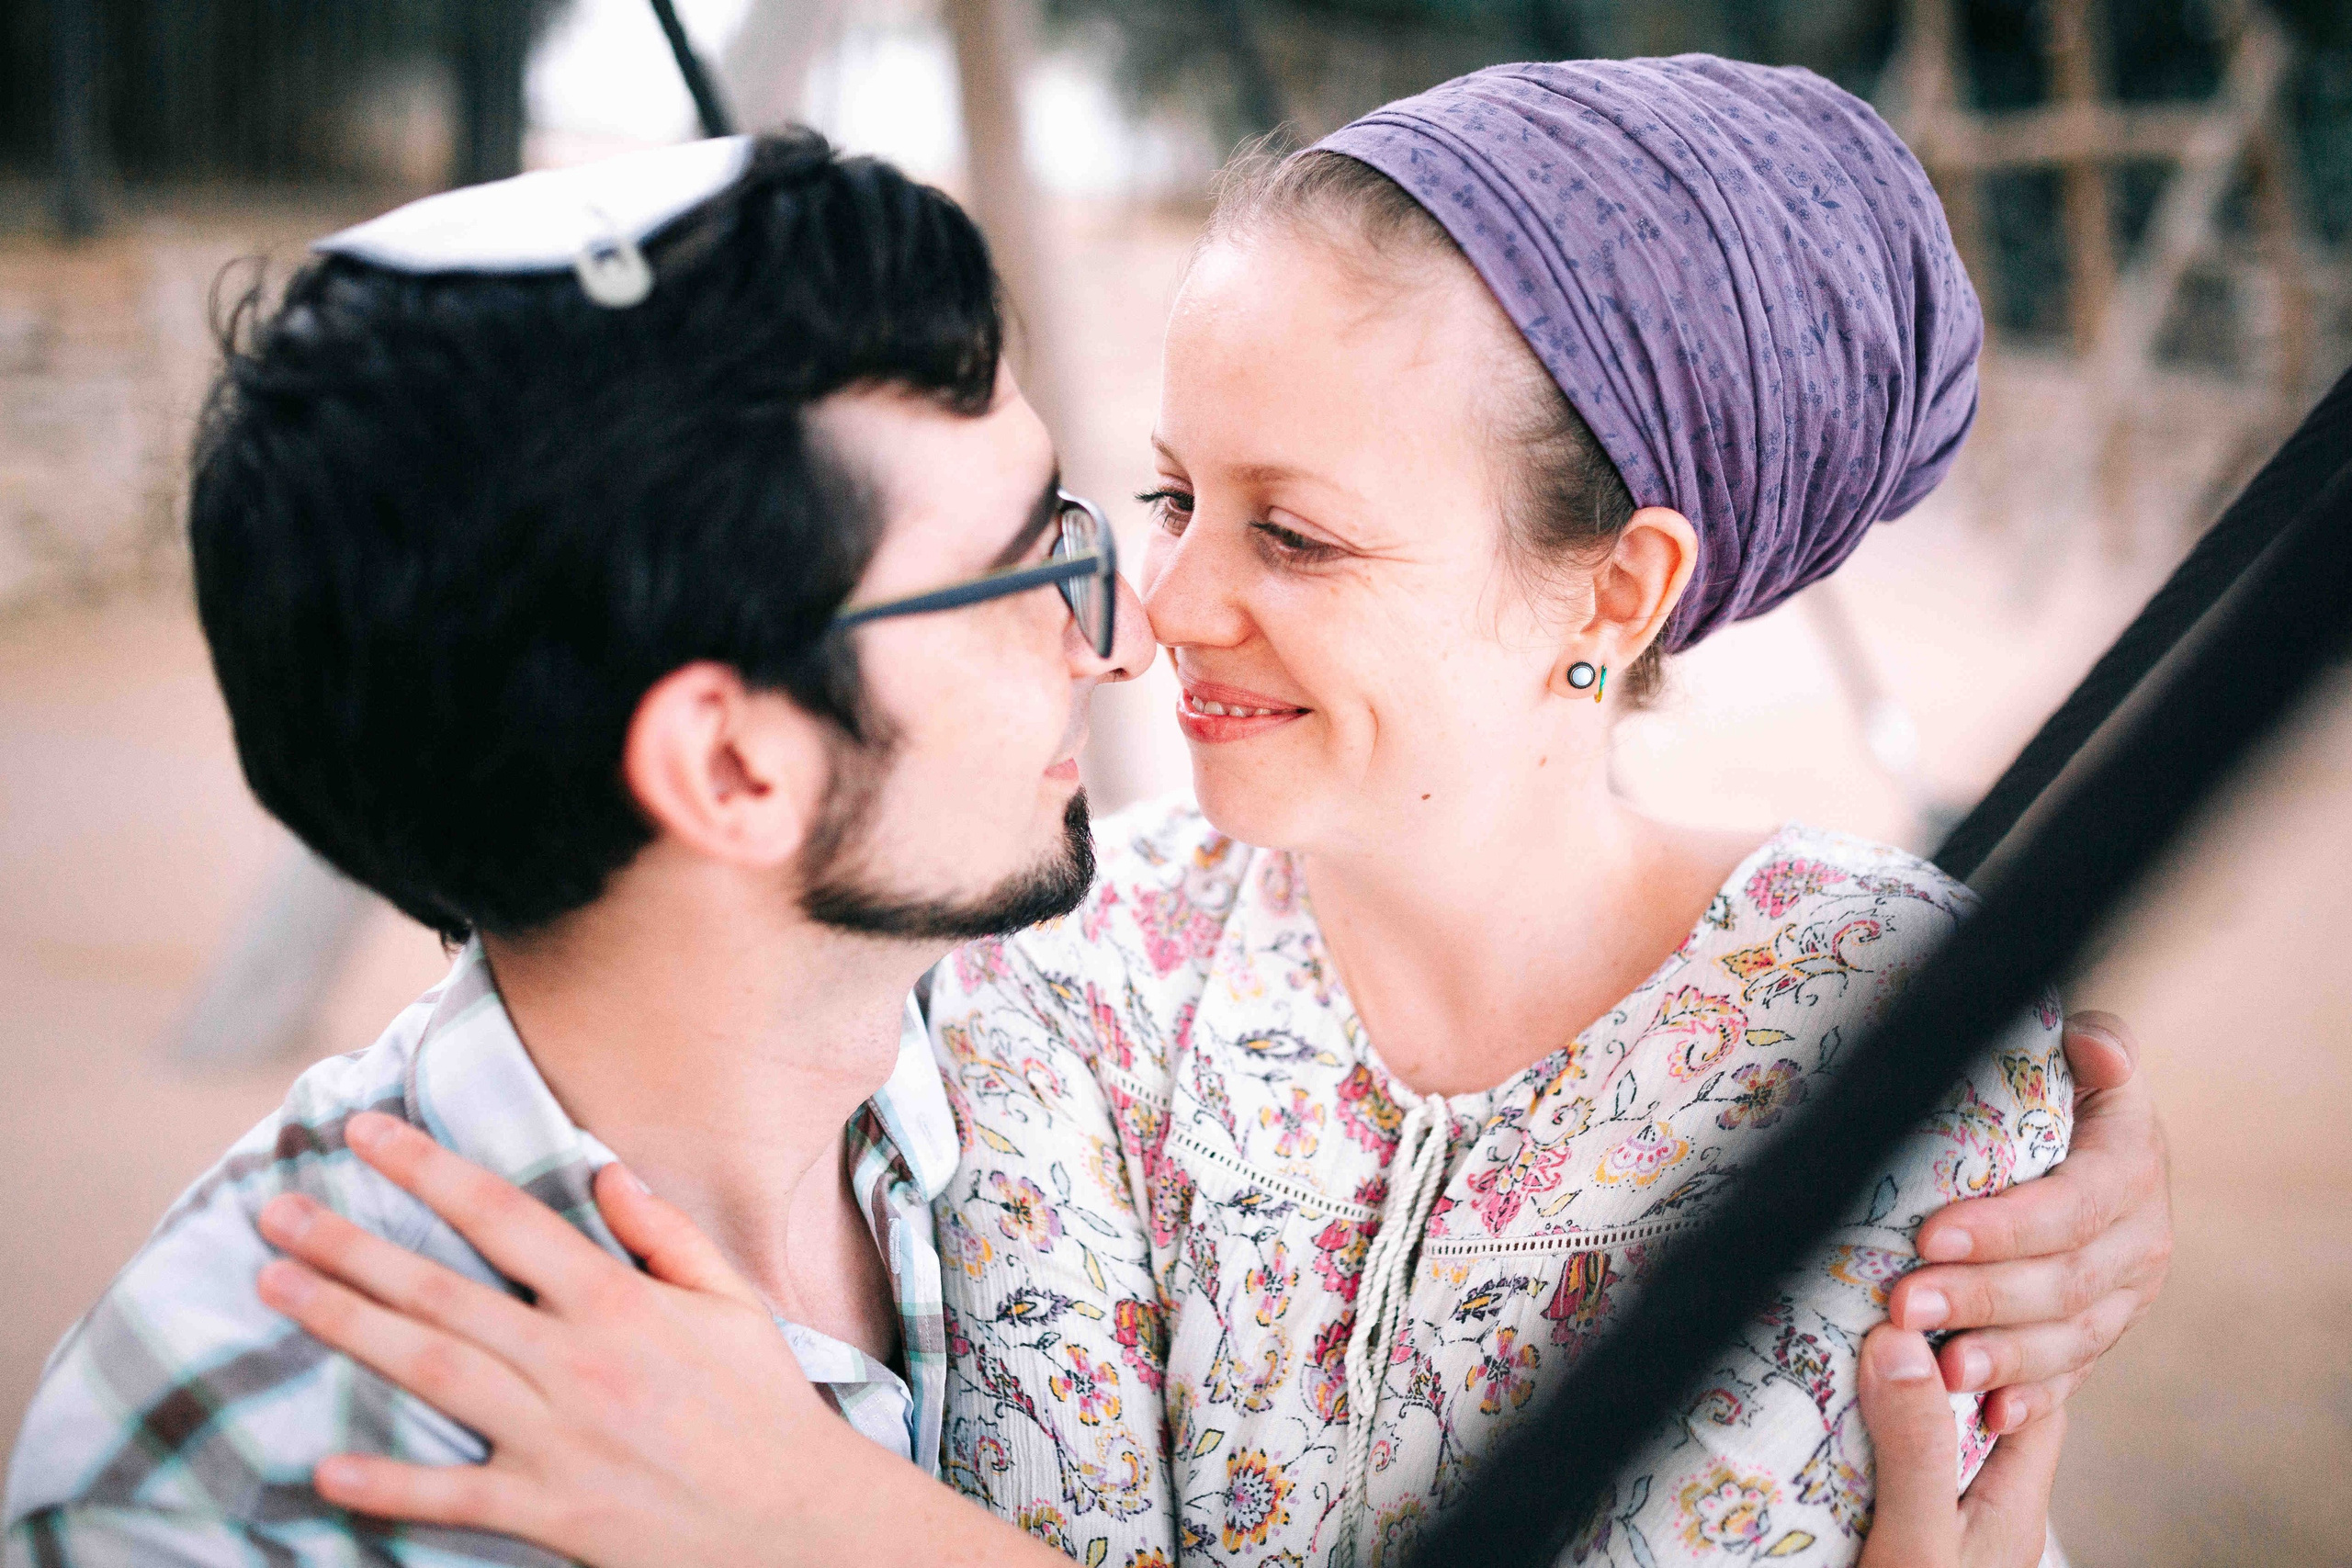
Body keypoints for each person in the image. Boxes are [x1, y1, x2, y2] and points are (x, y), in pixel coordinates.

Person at [204, 59, 2171, 1568]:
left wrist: (840, 1524)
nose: (1159, 604)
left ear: (1617, 590)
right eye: (1173, 495)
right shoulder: (1047, 982)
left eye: (1293, 534)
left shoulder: (1872, 1034)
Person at [3, 130, 1154, 1564]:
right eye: (1031, 572)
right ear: (731, 767)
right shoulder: (225, 1489)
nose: (1123, 645)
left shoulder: (1123, 1047)